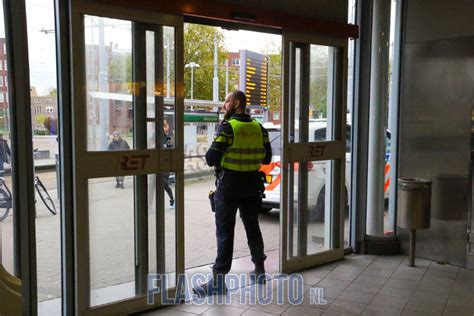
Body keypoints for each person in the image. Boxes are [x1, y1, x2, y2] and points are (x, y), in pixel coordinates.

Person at [193, 90, 272, 296]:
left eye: (226, 102)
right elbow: (266, 159)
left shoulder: (228, 128)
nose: (223, 106)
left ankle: (218, 281)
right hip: (252, 185)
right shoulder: (259, 128)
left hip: (229, 186)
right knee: (253, 227)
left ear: (236, 103)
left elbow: (210, 158)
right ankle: (260, 271)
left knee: (225, 231)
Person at [148, 118, 175, 209]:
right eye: (161, 126)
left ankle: (172, 200)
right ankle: (149, 204)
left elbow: (170, 150)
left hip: (165, 166)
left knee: (164, 185)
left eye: (164, 125)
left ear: (168, 126)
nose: (163, 128)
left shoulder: (170, 137)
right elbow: (148, 146)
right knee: (152, 184)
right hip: (155, 165)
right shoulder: (154, 136)